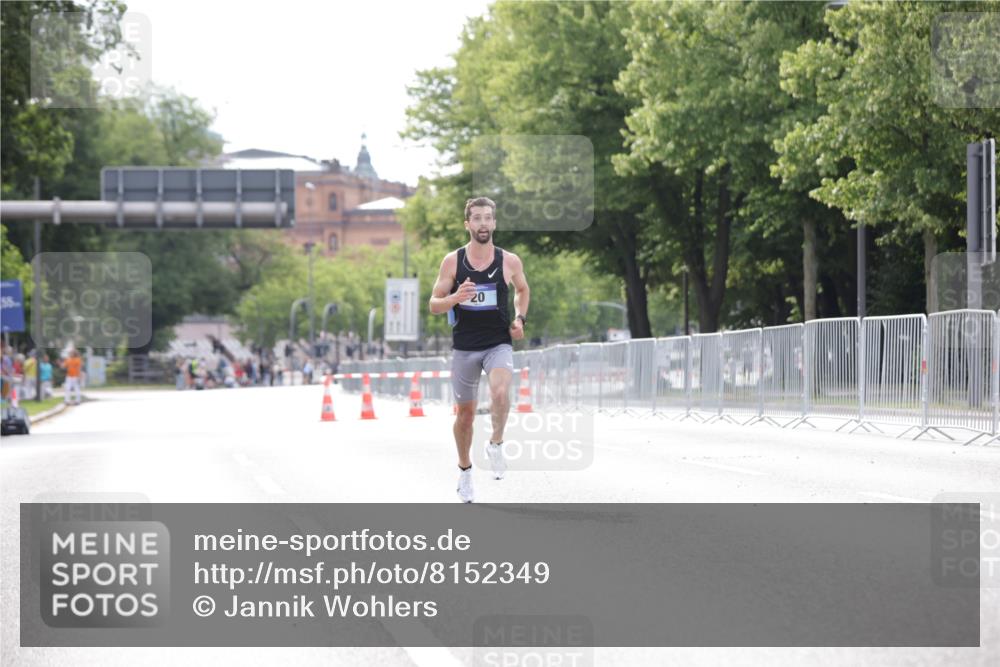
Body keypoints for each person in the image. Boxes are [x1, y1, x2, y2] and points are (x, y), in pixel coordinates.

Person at [429, 196, 530, 503]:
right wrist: (455, 297)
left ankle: (496, 444)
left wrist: (519, 318)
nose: (483, 223)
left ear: (494, 223)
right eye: (477, 218)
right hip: (465, 347)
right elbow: (434, 305)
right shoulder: (452, 261)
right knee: (465, 416)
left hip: (498, 342)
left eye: (488, 218)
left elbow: (523, 290)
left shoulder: (509, 260)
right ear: (468, 224)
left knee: (500, 393)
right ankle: (465, 472)